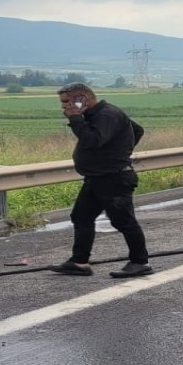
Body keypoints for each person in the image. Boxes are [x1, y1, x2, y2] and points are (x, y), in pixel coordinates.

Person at [51, 82, 153, 278]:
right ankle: (79, 262)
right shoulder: (97, 115)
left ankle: (140, 262)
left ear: (83, 99)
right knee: (81, 217)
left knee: (123, 221)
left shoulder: (107, 114)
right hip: (96, 178)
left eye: (67, 102)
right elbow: (136, 130)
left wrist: (75, 118)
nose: (64, 107)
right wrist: (119, 149)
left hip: (114, 178)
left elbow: (92, 140)